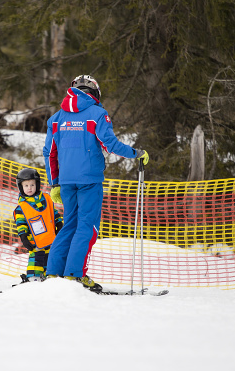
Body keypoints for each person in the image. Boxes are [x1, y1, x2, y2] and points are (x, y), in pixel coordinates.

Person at [42, 74, 149, 292]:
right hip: (89, 180)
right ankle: (74, 275)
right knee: (87, 226)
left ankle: (53, 272)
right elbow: (110, 144)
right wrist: (136, 153)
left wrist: (55, 183)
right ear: (96, 92)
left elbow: (49, 153)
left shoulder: (56, 118)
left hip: (67, 181)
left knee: (70, 224)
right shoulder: (97, 114)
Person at [13, 168, 63, 282]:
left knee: (50, 257)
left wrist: (59, 223)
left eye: (32, 185)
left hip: (51, 238)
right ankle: (33, 277)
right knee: (36, 257)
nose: (29, 188)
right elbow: (21, 223)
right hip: (35, 240)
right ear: (21, 187)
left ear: (37, 184)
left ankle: (49, 276)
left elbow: (52, 212)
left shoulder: (46, 198)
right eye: (26, 186)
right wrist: (23, 237)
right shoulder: (22, 207)